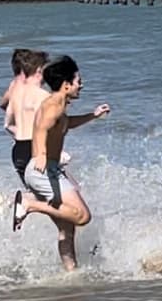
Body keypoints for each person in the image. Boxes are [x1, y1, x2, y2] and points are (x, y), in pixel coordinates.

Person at [11, 56, 110, 271]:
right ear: (66, 84)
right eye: (78, 81)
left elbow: (67, 124)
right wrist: (42, 154)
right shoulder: (54, 105)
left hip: (49, 170)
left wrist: (93, 116)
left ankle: (71, 272)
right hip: (43, 170)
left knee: (67, 228)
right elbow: (42, 129)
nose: (81, 85)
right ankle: (29, 203)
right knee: (83, 216)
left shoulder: (59, 106)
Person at [3, 50, 50, 183]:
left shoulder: (16, 92)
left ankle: (14, 202)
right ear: (39, 70)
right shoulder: (43, 96)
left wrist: (20, 125)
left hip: (18, 150)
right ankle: (24, 201)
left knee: (35, 189)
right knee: (66, 190)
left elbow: (7, 125)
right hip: (35, 149)